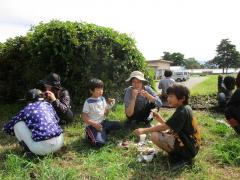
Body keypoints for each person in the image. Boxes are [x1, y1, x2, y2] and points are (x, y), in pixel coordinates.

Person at [134, 84, 200, 169]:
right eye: (168, 96)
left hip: (189, 149)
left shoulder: (182, 111)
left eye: (171, 96)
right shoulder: (185, 108)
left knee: (155, 135)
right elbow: (171, 126)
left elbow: (166, 127)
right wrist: (160, 119)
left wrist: (143, 130)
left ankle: (181, 157)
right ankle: (179, 154)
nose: (168, 99)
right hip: (191, 145)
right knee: (158, 126)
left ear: (182, 98)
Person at [3, 89, 64, 155]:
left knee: (18, 124)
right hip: (59, 143)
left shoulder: (27, 109)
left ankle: (28, 150)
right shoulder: (49, 105)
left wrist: (5, 129)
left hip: (41, 149)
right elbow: (57, 120)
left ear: (29, 101)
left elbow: (10, 126)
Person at [82, 78, 121, 148]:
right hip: (93, 126)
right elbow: (85, 118)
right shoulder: (88, 102)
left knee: (119, 125)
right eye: (98, 90)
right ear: (91, 91)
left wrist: (109, 106)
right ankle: (89, 134)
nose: (101, 91)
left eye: (102, 89)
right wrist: (95, 124)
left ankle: (103, 132)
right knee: (99, 143)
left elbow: (105, 114)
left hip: (103, 122)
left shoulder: (102, 99)